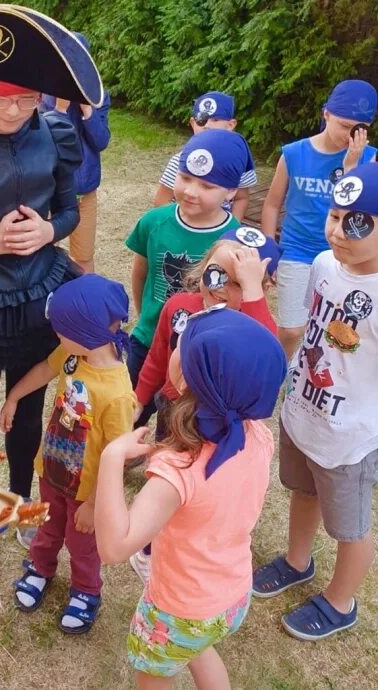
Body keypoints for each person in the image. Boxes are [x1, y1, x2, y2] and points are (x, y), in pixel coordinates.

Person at [0, 6, 104, 586]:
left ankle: (19, 503)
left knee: (30, 410)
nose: (14, 109)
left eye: (26, 98)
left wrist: (49, 232)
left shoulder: (56, 133)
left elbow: (67, 208)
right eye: (0, 98)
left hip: (39, 295)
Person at [95, 307, 287, 690]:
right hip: (230, 597)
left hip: (177, 610)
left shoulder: (177, 472)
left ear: (187, 376)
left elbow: (114, 548)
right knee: (200, 648)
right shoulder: (257, 434)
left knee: (155, 674)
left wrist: (111, 459)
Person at [253, 162, 378, 641]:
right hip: (303, 410)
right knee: (301, 493)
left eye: (358, 222)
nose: (339, 230)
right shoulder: (324, 265)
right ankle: (297, 561)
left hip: (349, 436)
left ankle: (341, 600)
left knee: (350, 528)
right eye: (334, 215)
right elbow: (311, 331)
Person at [128, 226, 280, 582]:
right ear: (202, 266)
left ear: (262, 287)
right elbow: (156, 355)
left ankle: (187, 538)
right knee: (165, 471)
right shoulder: (179, 307)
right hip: (172, 407)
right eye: (216, 273)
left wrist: (253, 294)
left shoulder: (249, 323)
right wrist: (138, 399)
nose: (222, 289)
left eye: (239, 282)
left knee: (202, 488)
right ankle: (150, 548)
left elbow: (269, 347)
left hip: (221, 424)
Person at [0, 274, 135, 633]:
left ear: (86, 332)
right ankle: (40, 568)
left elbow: (116, 454)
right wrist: (13, 397)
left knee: (82, 544)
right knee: (46, 528)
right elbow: (46, 369)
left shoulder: (118, 394)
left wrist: (93, 503)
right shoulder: (73, 355)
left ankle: (86, 590)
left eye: (61, 330)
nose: (56, 336)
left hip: (85, 488)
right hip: (52, 469)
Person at [126, 128, 254, 426]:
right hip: (147, 339)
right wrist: (145, 315)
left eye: (207, 185)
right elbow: (140, 271)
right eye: (185, 178)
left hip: (200, 351)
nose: (190, 191)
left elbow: (239, 301)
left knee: (179, 423)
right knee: (131, 408)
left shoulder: (235, 239)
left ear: (231, 192)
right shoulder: (154, 221)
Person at [261, 79, 377, 359]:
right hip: (298, 249)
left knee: (332, 325)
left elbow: (357, 209)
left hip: (345, 252)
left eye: (358, 130)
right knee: (291, 329)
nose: (349, 136)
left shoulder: (370, 160)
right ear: (326, 114)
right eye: (343, 125)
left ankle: (308, 372)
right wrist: (269, 248)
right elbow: (271, 204)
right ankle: (279, 367)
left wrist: (352, 165)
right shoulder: (294, 153)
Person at [39, 33, 111, 273]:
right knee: (43, 253)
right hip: (47, 189)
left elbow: (101, 141)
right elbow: (41, 142)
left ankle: (83, 303)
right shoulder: (41, 94)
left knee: (83, 256)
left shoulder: (98, 96)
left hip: (83, 191)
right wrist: (59, 109)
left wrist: (88, 111)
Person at [152, 91, 257, 220]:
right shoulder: (180, 161)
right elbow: (161, 201)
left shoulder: (238, 163)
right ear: (192, 123)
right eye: (201, 119)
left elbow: (241, 198)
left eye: (215, 119)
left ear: (231, 125)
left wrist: (231, 230)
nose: (207, 125)